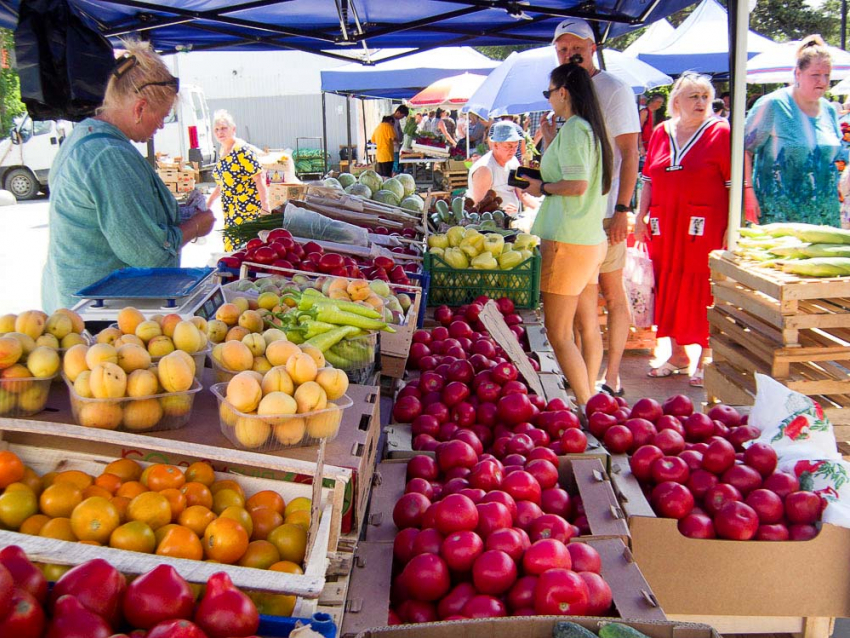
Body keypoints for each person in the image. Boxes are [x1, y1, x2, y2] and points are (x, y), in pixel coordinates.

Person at [41, 39, 215, 312]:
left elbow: (127, 217)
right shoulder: (109, 155)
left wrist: (181, 213)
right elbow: (149, 254)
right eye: (163, 116)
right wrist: (197, 226)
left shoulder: (85, 136)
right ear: (139, 108)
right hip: (97, 312)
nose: (160, 125)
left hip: (78, 301)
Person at [542, 18, 640, 398]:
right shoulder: (574, 115)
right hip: (584, 221)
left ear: (593, 48)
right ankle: (587, 390)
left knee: (607, 300)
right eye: (562, 50)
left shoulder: (612, 90)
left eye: (575, 48)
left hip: (597, 215)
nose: (569, 54)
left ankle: (605, 382)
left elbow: (629, 153)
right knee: (583, 314)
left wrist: (622, 208)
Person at [522, 59, 614, 410]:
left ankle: (587, 407)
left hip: (568, 241)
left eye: (549, 92)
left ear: (563, 92)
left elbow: (576, 185)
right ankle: (587, 397)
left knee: (559, 334)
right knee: (586, 325)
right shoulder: (588, 129)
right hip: (589, 240)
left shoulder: (576, 129)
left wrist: (540, 185)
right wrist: (549, 140)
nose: (548, 99)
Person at [635, 73, 731, 387]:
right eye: (693, 96)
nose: (701, 102)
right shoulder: (663, 131)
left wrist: (732, 227)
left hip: (703, 225)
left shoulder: (721, 132)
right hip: (665, 224)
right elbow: (648, 178)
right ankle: (677, 354)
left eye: (705, 96)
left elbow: (732, 182)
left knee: (699, 284)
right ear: (677, 101)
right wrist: (640, 217)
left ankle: (704, 358)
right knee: (667, 281)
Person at [745, 35, 843, 227]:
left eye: (827, 75)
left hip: (824, 216)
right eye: (815, 75)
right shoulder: (773, 105)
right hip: (779, 215)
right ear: (798, 73)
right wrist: (747, 193)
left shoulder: (830, 110)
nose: (822, 81)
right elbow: (743, 151)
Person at [207, 110, 269, 252]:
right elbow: (222, 183)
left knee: (248, 250)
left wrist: (265, 207)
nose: (220, 132)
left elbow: (259, 177)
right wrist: (208, 203)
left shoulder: (241, 150)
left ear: (233, 129)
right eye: (216, 129)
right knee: (233, 252)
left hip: (247, 211)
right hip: (231, 213)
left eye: (223, 128)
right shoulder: (223, 151)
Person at [467, 121, 538, 217]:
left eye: (515, 146)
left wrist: (539, 209)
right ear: (496, 145)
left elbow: (523, 194)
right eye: (508, 146)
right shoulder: (484, 169)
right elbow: (478, 207)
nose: (513, 150)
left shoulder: (513, 161)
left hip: (510, 221)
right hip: (491, 225)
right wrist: (501, 211)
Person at [639, 94, 665, 158]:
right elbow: (638, 130)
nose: (660, 104)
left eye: (661, 103)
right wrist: (640, 146)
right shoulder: (645, 112)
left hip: (651, 145)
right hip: (643, 145)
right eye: (659, 102)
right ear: (652, 101)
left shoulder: (655, 114)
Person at [391, 105, 409, 174]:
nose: (402, 118)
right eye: (402, 116)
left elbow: (399, 131)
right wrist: (395, 140)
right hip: (392, 147)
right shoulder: (390, 120)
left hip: (397, 146)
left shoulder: (397, 120)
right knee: (394, 165)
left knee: (397, 164)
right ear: (398, 112)